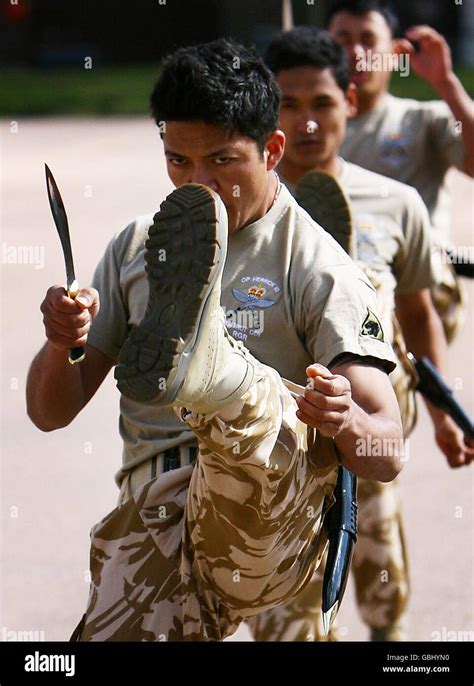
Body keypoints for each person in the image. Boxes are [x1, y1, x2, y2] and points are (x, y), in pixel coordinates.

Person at [26, 39, 403, 641]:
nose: (198, 183)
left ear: (272, 149)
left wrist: (344, 419)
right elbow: (50, 412)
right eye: (179, 162)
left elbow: (389, 449)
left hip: (269, 529)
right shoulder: (137, 247)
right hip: (158, 525)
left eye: (222, 161)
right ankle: (203, 360)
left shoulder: (319, 268)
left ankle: (215, 364)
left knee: (254, 397)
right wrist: (58, 343)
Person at [246, 25, 474, 643]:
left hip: (368, 439)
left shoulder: (397, 204)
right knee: (288, 628)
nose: (308, 122)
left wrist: (445, 411)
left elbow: (421, 315)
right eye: (288, 105)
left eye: (321, 102)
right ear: (267, 111)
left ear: (350, 99)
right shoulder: (240, 211)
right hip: (273, 456)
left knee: (384, 599)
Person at [327, 0, 474, 342]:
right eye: (342, 40)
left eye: (367, 39)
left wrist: (446, 82)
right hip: (336, 286)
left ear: (394, 52)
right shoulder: (308, 132)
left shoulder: (424, 119)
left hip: (419, 286)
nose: (355, 51)